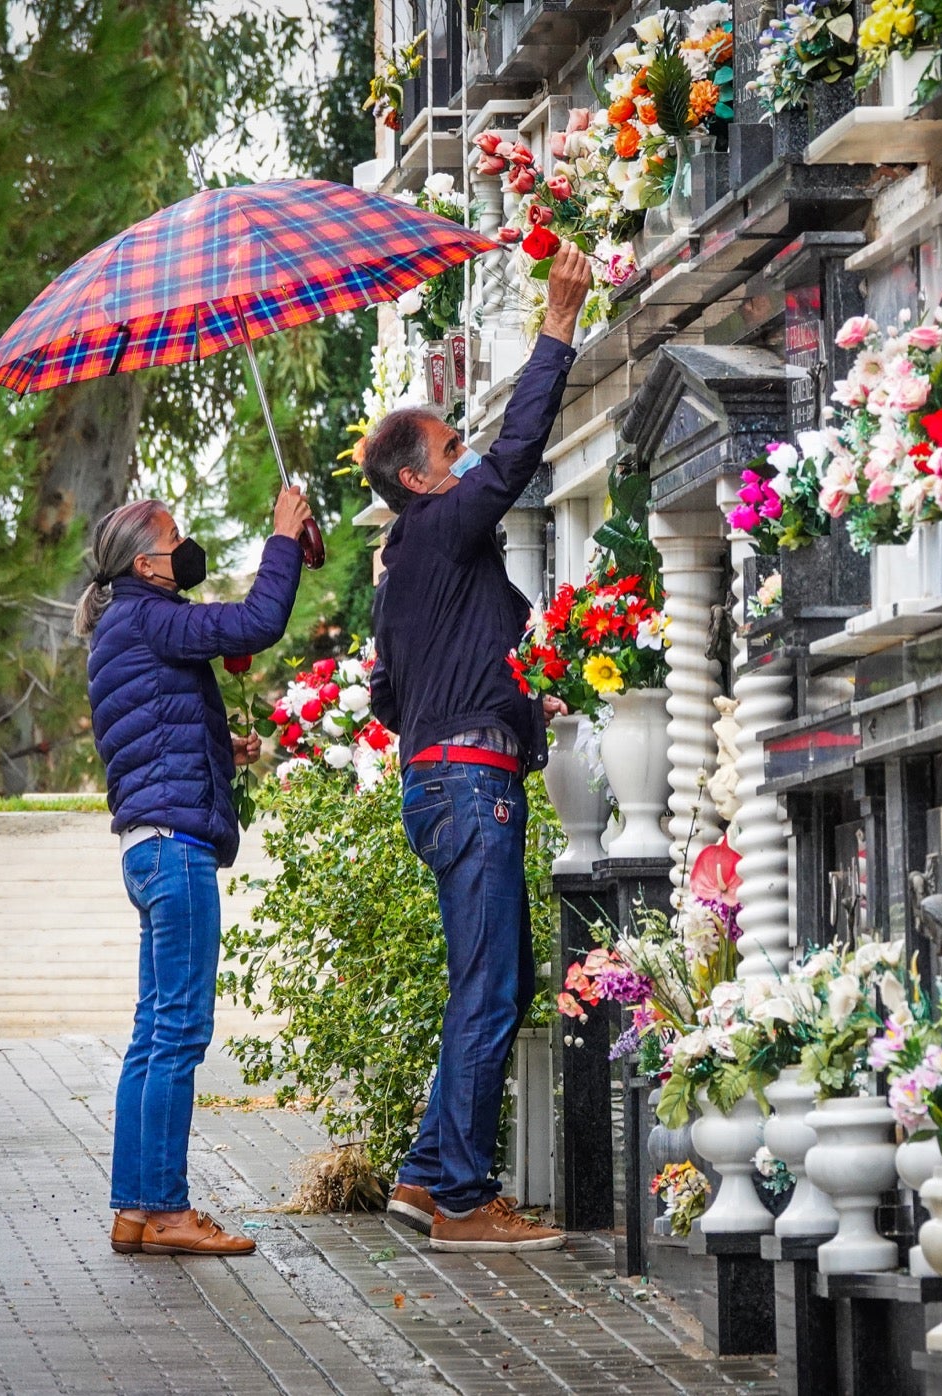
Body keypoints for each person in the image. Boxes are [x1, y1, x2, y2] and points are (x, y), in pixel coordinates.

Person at [364, 241, 592, 1253]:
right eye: (447, 453)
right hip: (471, 784)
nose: (462, 463)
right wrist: (555, 328)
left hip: (441, 778)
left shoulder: (403, 562)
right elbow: (515, 458)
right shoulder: (441, 525)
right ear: (419, 477)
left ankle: (422, 1176)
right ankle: (464, 1200)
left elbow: (382, 696)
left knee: (483, 979)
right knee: (493, 985)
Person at [74, 486, 311, 1256]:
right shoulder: (148, 612)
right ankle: (170, 1210)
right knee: (179, 1032)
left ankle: (135, 1211)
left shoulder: (120, 627)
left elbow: (153, 740)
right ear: (145, 560)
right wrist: (282, 537)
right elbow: (255, 622)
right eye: (175, 538)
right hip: (177, 851)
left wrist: (220, 748)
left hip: (147, 848)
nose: (187, 548)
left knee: (152, 1034)